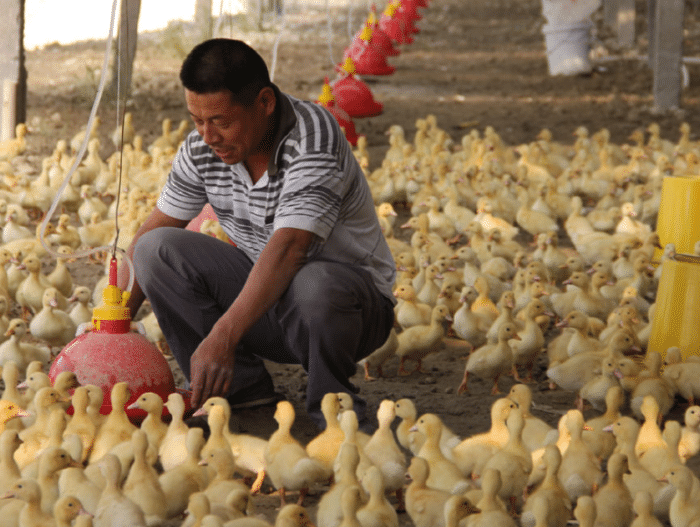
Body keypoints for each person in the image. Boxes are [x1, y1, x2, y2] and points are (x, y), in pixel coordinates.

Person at [119, 38, 396, 430]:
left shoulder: (313, 138)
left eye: (221, 121)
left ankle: (334, 413)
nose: (208, 136)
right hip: (266, 305)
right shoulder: (204, 147)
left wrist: (222, 335)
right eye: (198, 120)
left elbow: (290, 248)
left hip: (346, 312)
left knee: (314, 282)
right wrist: (111, 324)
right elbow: (156, 227)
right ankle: (245, 395)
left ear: (265, 103)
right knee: (154, 250)